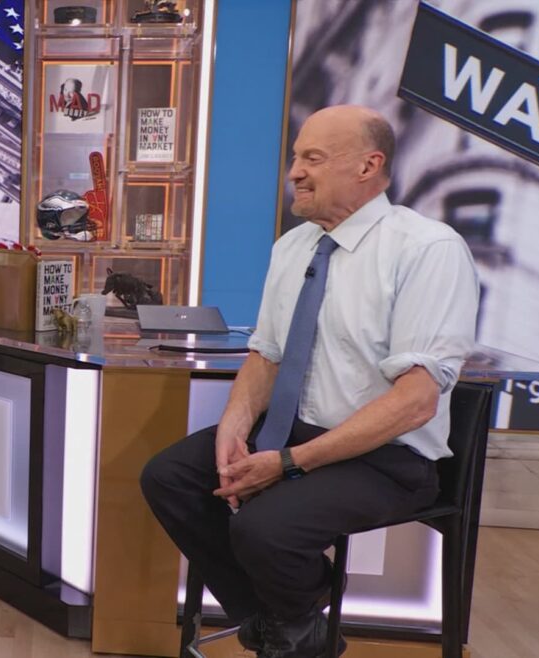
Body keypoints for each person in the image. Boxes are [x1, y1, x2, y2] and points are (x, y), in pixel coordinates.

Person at [140, 105, 479, 658]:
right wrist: (234, 426)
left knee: (263, 529)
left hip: (386, 459)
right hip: (294, 433)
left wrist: (289, 463)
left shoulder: (427, 250)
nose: (294, 172)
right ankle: (290, 620)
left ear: (368, 166)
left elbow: (415, 402)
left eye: (313, 159)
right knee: (171, 477)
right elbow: (267, 356)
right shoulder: (292, 247)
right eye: (296, 157)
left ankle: (288, 625)